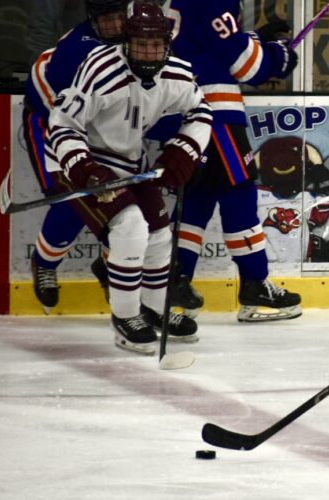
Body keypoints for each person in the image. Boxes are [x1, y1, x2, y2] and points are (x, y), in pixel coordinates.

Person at [45, 0, 212, 354]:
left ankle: (153, 309)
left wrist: (185, 149)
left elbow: (200, 111)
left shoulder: (177, 73)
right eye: (141, 44)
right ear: (127, 41)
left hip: (131, 164)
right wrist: (83, 167)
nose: (149, 52)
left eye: (156, 44)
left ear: (167, 43)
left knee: (160, 234)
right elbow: (62, 123)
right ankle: (125, 317)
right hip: (79, 162)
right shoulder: (100, 68)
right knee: (131, 227)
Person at [159, 0, 302, 322]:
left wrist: (255, 39)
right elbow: (248, 68)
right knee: (239, 193)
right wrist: (278, 55)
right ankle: (254, 283)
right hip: (214, 115)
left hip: (181, 111)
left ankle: (175, 280)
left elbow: (210, 43)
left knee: (199, 197)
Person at [24, 0, 128, 313]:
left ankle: (109, 266)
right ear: (92, 19)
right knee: (71, 198)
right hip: (50, 118)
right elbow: (65, 115)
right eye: (105, 19)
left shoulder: (139, 35)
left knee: (124, 200)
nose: (114, 26)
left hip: (105, 125)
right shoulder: (75, 50)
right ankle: (44, 264)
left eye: (118, 17)